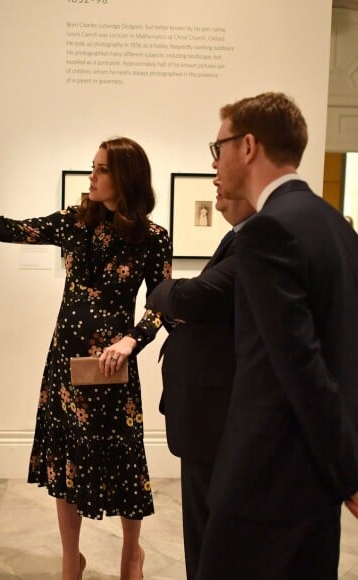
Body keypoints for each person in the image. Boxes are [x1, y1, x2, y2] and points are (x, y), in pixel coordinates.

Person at [0, 136, 172, 580]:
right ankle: (72, 559)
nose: (92, 176)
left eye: (101, 169)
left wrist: (131, 341)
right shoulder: (74, 221)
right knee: (67, 462)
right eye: (92, 167)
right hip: (65, 364)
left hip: (112, 368)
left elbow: (161, 303)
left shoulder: (152, 238)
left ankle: (132, 553)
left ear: (124, 177)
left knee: (123, 460)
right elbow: (15, 228)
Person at [197, 92, 358, 580]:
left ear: (248, 146)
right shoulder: (335, 225)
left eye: (218, 146)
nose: (216, 161)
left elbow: (302, 368)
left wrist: (349, 473)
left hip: (266, 485)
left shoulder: (268, 232)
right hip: (311, 486)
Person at [145, 192, 254, 580]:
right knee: (204, 526)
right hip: (207, 411)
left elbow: (193, 296)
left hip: (214, 415)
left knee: (208, 528)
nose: (217, 184)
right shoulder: (238, 238)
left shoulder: (255, 241)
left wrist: (162, 291)